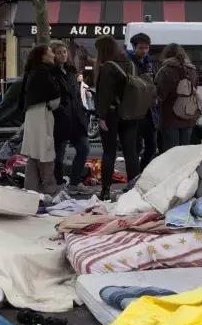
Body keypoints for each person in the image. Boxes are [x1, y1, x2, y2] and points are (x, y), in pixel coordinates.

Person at [94, 35, 140, 201]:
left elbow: (105, 94)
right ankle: (133, 189)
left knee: (109, 152)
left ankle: (106, 190)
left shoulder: (108, 67)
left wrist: (101, 116)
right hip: (131, 113)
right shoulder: (131, 64)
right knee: (131, 152)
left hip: (112, 114)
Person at [20, 43, 60, 195]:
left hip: (33, 114)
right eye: (51, 52)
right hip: (42, 113)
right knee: (45, 149)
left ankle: (30, 188)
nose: (53, 55)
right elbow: (54, 94)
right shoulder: (44, 72)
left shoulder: (32, 71)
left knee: (34, 152)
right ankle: (49, 188)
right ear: (43, 56)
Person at [50, 40, 90, 187]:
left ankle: (74, 181)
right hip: (60, 118)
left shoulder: (71, 71)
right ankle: (58, 182)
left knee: (84, 148)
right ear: (52, 54)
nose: (62, 55)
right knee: (58, 155)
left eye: (64, 52)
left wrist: (82, 110)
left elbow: (76, 95)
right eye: (58, 52)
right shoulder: (51, 72)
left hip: (76, 117)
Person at [155, 43, 201, 150]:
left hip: (169, 118)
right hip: (188, 116)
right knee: (184, 152)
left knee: (171, 152)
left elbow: (160, 95)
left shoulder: (165, 71)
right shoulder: (192, 70)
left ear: (166, 54)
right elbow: (195, 89)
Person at [128, 32, 158, 169]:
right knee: (135, 147)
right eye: (141, 48)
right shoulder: (129, 63)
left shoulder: (149, 63)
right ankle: (134, 176)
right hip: (135, 111)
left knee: (152, 146)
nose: (144, 51)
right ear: (134, 47)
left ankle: (141, 171)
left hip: (149, 112)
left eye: (146, 48)